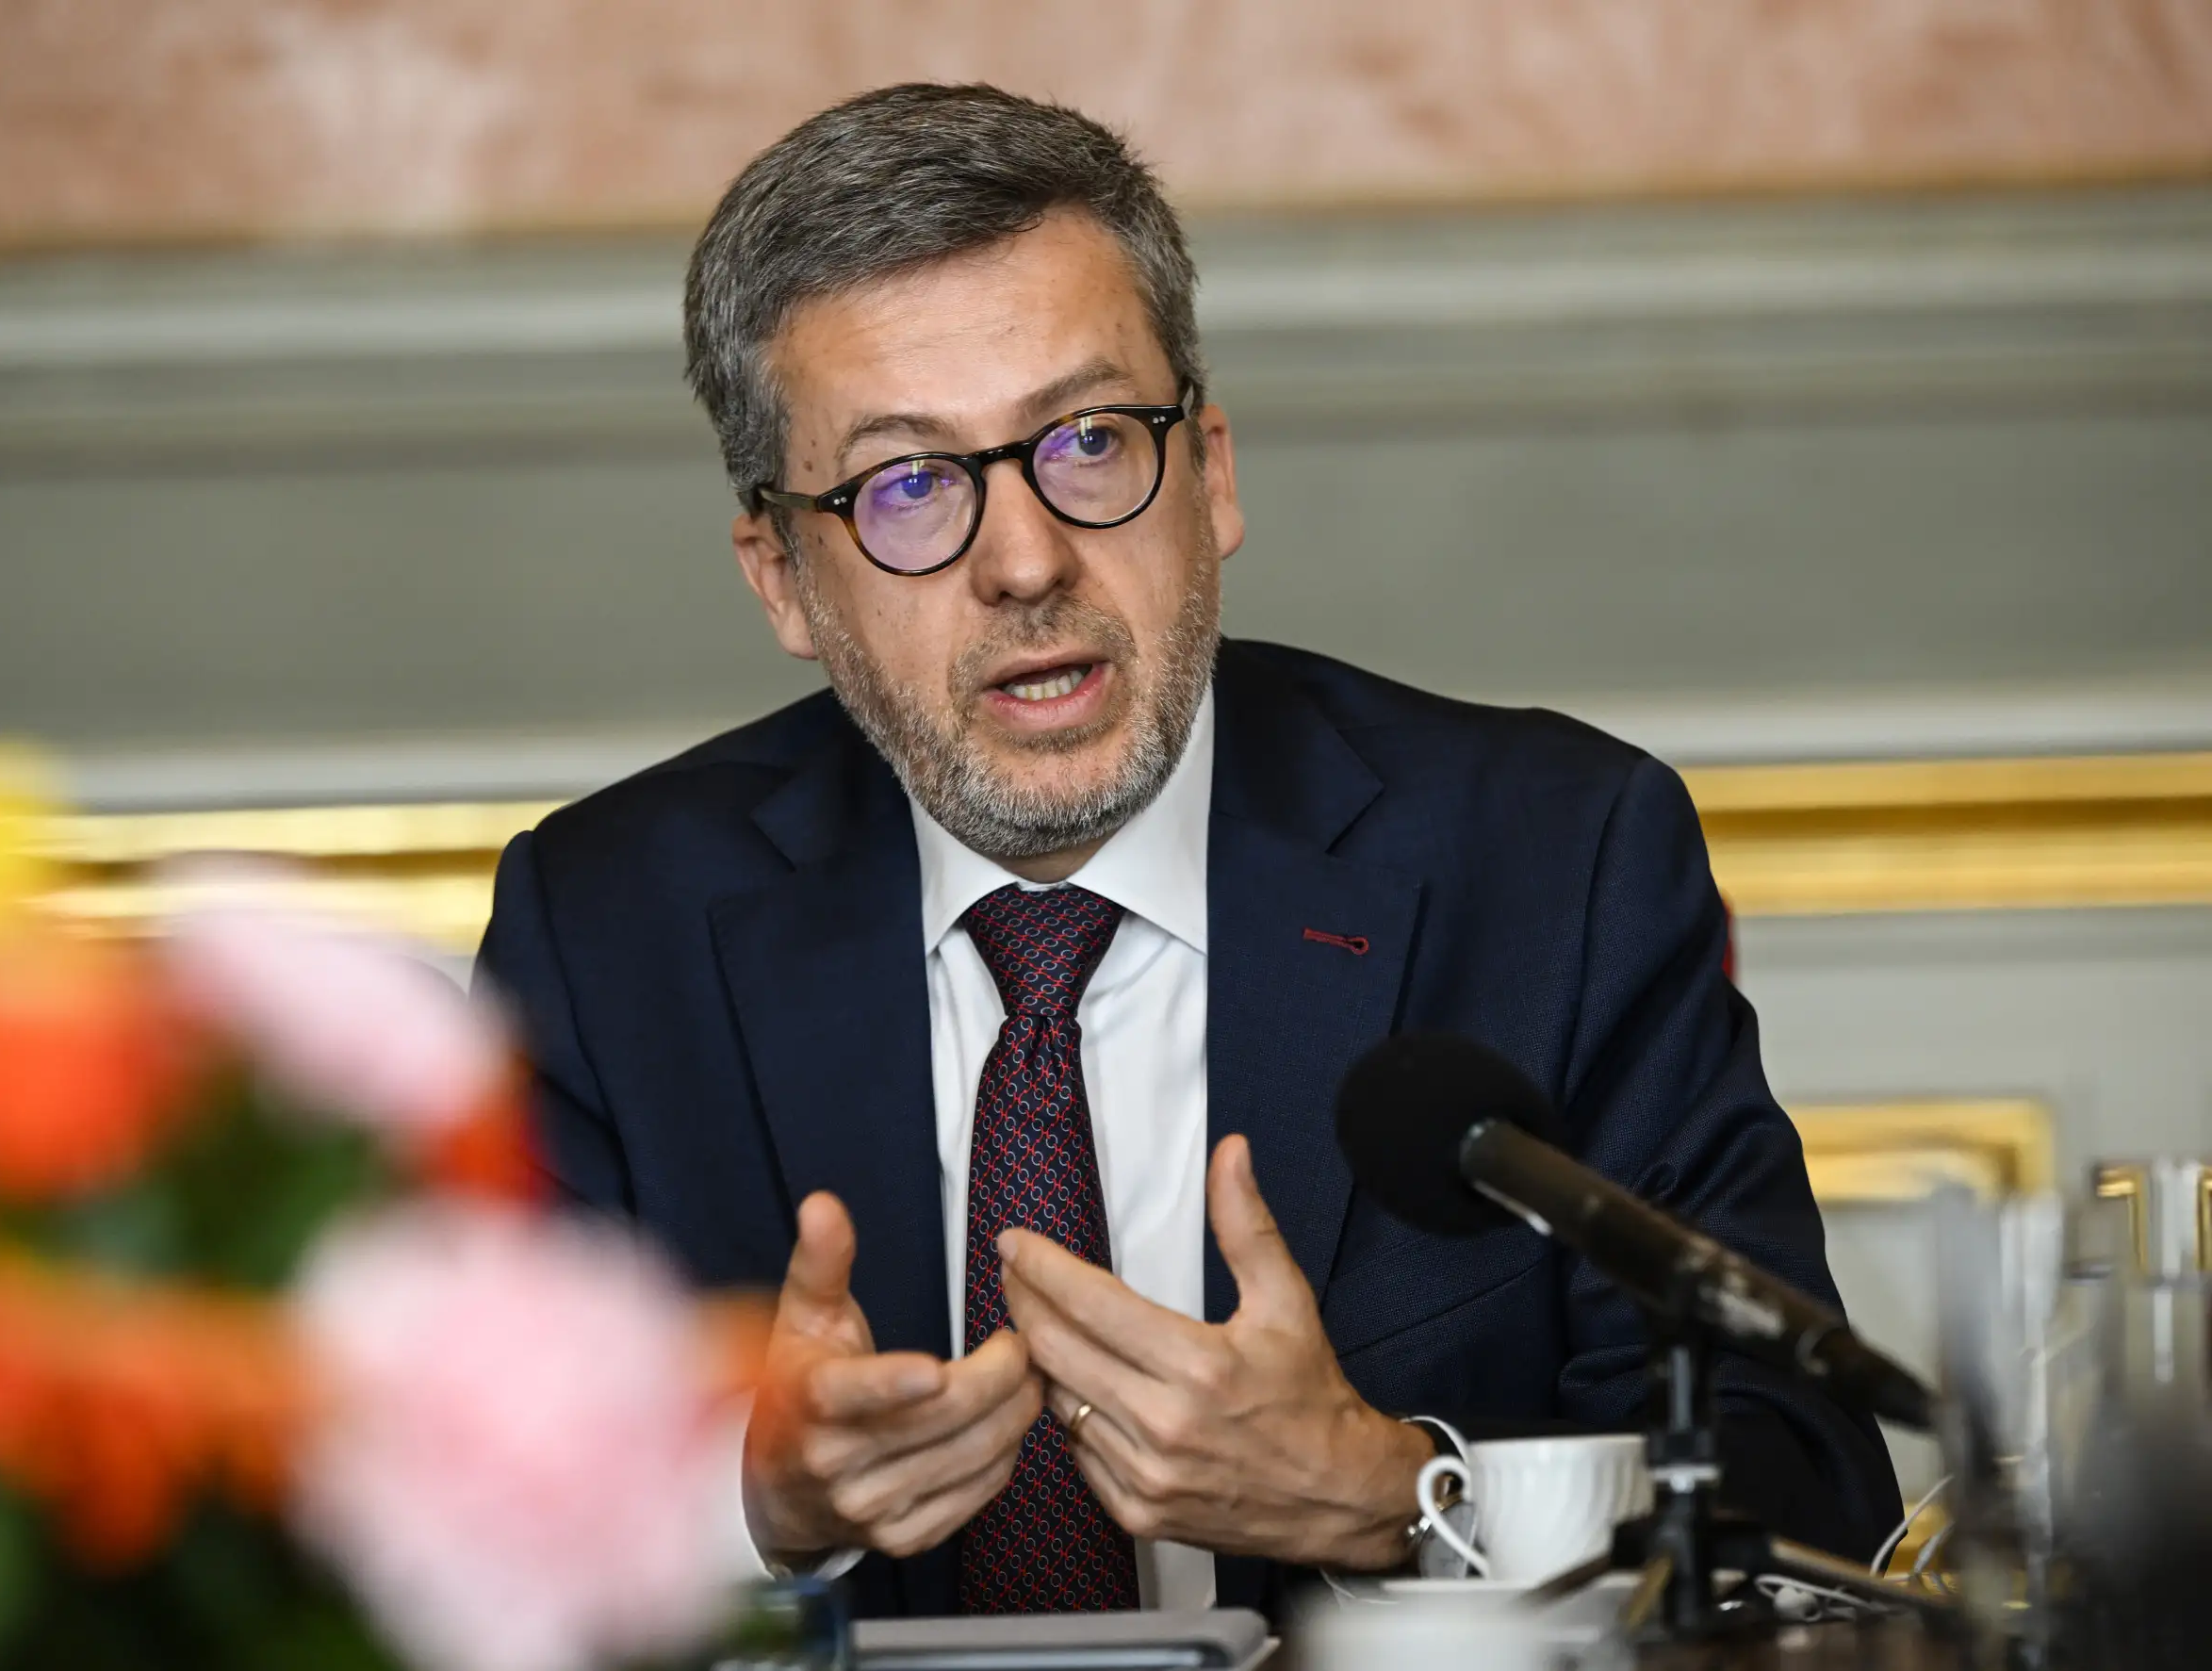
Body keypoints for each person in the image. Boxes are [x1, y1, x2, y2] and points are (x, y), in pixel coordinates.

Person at [475, 82, 1898, 1619]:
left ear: (1211, 473)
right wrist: (747, 1505)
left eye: (1090, 441)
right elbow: (439, 1541)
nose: (1028, 562)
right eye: (909, 487)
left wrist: (1394, 1496)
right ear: (783, 581)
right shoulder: (611, 934)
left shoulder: (1557, 865)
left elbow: (1800, 1480)